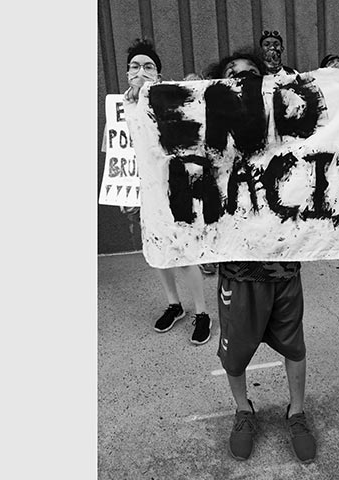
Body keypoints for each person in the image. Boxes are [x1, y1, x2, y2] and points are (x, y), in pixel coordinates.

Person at [205, 49, 317, 464]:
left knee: (294, 346)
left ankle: (297, 412)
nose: (242, 80)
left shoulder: (284, 132)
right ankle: (243, 410)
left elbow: (333, 131)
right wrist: (141, 98)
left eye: (251, 74)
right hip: (238, 273)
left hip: (283, 267)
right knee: (235, 353)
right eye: (233, 75)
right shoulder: (211, 137)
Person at [122, 38, 213, 345]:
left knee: (184, 252)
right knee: (157, 251)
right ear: (127, 72)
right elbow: (119, 153)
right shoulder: (121, 106)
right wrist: (124, 192)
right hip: (146, 192)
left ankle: (202, 312)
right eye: (135, 66)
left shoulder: (170, 101)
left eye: (148, 66)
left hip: (175, 189)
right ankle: (174, 304)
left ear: (158, 75)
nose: (140, 71)